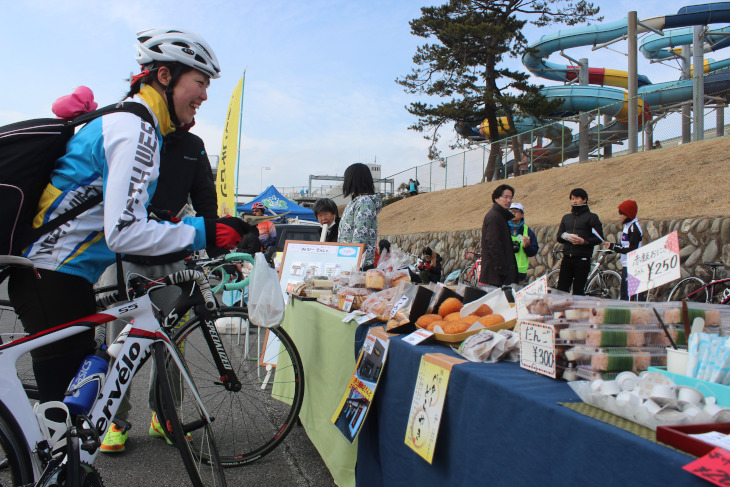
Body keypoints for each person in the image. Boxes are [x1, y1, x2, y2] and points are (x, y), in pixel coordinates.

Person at [8, 28, 246, 425]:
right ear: (165, 77)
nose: (204, 95)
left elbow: (122, 216)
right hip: (52, 275)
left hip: (59, 275)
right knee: (65, 427)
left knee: (70, 415)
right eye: (200, 83)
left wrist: (191, 226)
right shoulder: (135, 128)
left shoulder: (133, 122)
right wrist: (204, 232)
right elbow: (123, 231)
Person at [96, 119, 219, 452]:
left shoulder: (193, 146)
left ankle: (164, 416)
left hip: (171, 256)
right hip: (123, 258)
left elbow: (206, 199)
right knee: (118, 344)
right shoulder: (132, 133)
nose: (200, 101)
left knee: (172, 342)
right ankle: (113, 420)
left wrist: (220, 246)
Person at [556, 188, 604, 295]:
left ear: (585, 200)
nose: (574, 201)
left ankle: (577, 311)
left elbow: (599, 238)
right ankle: (562, 311)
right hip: (567, 257)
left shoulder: (592, 217)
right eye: (572, 198)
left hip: (582, 259)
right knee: (561, 290)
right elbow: (558, 237)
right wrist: (565, 236)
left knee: (578, 291)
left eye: (577, 198)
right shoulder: (566, 217)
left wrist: (584, 241)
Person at [338, 163, 382, 270]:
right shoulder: (355, 202)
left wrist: (353, 263)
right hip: (349, 260)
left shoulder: (364, 202)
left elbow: (360, 237)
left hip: (358, 265)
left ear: (353, 179)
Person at [604, 200, 646, 301]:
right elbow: (624, 245)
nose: (619, 216)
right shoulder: (628, 226)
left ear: (628, 214)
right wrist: (612, 245)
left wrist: (614, 247)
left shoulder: (634, 229)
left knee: (630, 298)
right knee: (624, 295)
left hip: (633, 266)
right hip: (627, 265)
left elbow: (631, 249)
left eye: (622, 214)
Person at [479, 184, 518, 287]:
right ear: (496, 198)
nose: (509, 200)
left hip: (499, 272)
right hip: (497, 274)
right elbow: (494, 243)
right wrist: (501, 269)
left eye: (511, 197)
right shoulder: (494, 216)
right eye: (505, 197)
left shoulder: (500, 215)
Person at [508, 202, 539, 284]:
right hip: (505, 270)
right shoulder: (503, 228)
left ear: (522, 214)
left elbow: (534, 251)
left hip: (520, 272)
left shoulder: (527, 231)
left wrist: (527, 247)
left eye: (516, 211)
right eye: (511, 211)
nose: (513, 213)